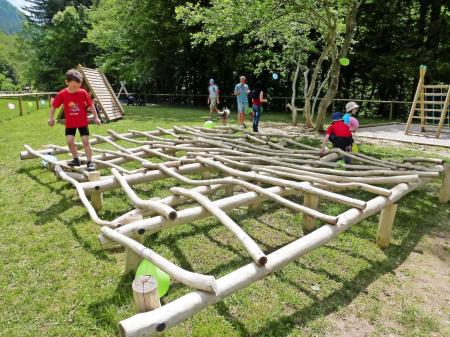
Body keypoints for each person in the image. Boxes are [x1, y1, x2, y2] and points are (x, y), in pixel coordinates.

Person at [48, 69, 101, 171]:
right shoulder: (62, 94)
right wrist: (50, 118)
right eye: (73, 86)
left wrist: (96, 117)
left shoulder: (83, 92)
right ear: (67, 82)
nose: (76, 88)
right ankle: (76, 159)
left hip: (82, 122)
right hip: (70, 124)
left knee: (86, 142)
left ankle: (90, 162)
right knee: (69, 142)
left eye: (78, 86)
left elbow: (91, 105)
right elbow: (54, 106)